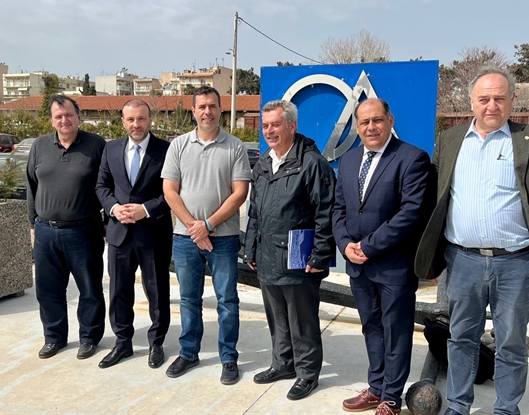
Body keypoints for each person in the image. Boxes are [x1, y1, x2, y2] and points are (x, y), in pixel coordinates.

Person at [415, 66, 529, 415]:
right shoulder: (450, 140)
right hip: (462, 261)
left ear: (512, 100)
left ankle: (506, 408)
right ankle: (458, 406)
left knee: (511, 343)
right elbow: (434, 202)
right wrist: (433, 259)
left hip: (516, 263)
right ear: (472, 101)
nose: (491, 106)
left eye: (499, 98)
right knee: (460, 338)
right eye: (484, 99)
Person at [333, 98, 431, 415]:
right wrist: (345, 244)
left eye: (377, 120)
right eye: (364, 122)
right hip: (358, 266)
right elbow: (339, 209)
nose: (371, 127)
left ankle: (391, 397)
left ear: (390, 120)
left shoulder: (412, 158)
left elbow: (410, 213)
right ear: (356, 126)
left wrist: (368, 246)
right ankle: (376, 387)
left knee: (396, 332)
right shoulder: (348, 160)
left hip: (393, 266)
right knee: (371, 328)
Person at [243, 100, 336, 401]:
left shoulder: (312, 163)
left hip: (299, 257)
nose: (269, 130)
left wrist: (320, 254)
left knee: (302, 320)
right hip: (267, 255)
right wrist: (250, 248)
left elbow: (326, 213)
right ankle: (283, 363)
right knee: (277, 317)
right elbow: (254, 212)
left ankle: (307, 373)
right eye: (265, 125)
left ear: (292, 126)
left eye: (276, 124)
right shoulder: (262, 163)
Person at [161, 85, 250, 385]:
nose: (207, 111)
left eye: (212, 106)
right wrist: (193, 226)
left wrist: (208, 224)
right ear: (193, 111)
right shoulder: (178, 145)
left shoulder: (235, 146)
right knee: (188, 299)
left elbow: (240, 193)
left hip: (223, 238)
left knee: (227, 300)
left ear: (220, 109)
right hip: (184, 238)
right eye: (202, 106)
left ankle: (228, 357)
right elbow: (169, 191)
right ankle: (188, 352)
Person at [27, 94, 106, 360]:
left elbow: (108, 186)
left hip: (84, 231)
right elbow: (31, 186)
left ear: (78, 117)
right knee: (48, 290)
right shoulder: (39, 146)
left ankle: (89, 337)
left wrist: (108, 222)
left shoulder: (96, 145)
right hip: (45, 232)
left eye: (69, 114)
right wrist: (33, 224)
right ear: (51, 120)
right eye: (58, 116)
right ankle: (54, 337)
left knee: (90, 289)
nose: (64, 120)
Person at [95, 99, 172, 369]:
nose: (136, 124)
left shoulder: (166, 150)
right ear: (123, 122)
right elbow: (102, 186)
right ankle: (123, 342)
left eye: (141, 119)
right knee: (119, 291)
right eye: (130, 119)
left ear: (150, 119)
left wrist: (146, 210)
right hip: (119, 233)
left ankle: (156, 343)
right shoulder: (110, 149)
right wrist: (114, 208)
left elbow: (173, 191)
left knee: (157, 292)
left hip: (153, 233)